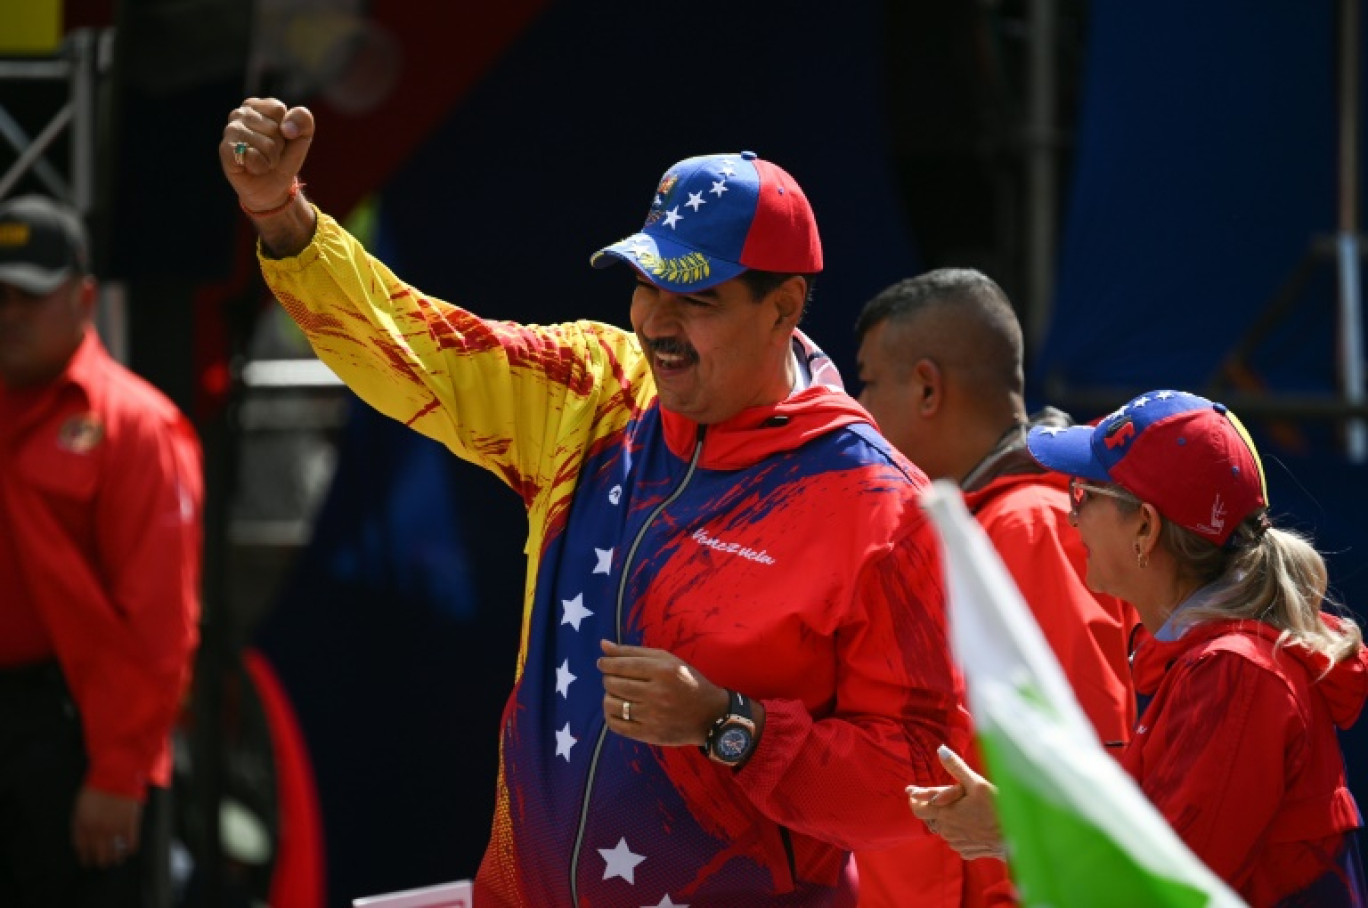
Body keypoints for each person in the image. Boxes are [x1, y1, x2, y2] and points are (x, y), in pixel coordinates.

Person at [220, 98, 971, 906]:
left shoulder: (875, 506)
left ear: (784, 308)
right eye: (647, 286)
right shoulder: (600, 391)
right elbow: (424, 352)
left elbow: (919, 779)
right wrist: (285, 221)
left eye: (697, 299)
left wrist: (732, 726)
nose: (658, 324)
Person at [910, 389, 1368, 907]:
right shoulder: (1211, 664)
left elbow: (1157, 893)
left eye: (1083, 492)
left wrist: (1013, 829)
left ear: (1146, 528)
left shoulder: (1235, 673)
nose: (1070, 515)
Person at [851, 269, 1137, 908]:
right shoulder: (983, 523)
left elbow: (1086, 758)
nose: (858, 408)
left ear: (927, 386)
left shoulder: (1025, 525)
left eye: (867, 382)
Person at [0, 194, 203, 906]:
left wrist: (118, 773)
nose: (10, 312)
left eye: (30, 294)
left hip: (75, 734)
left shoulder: (137, 426)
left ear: (84, 298)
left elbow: (160, 625)